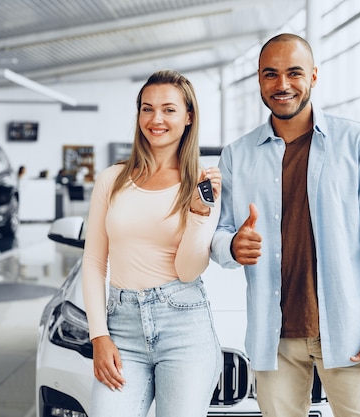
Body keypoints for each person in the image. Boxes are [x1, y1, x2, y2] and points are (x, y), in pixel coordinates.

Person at [210, 33, 360, 417]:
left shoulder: (357, 142)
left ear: (313, 77)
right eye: (271, 74)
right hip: (273, 339)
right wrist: (231, 246)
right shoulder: (237, 154)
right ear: (259, 80)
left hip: (351, 333)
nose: (282, 85)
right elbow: (218, 233)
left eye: (294, 73)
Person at [82, 69, 222, 417]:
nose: (155, 119)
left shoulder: (203, 183)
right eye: (147, 108)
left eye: (168, 109)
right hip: (122, 325)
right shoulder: (112, 179)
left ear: (189, 117)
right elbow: (94, 262)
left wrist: (198, 213)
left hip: (184, 326)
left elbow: (188, 270)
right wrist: (99, 336)